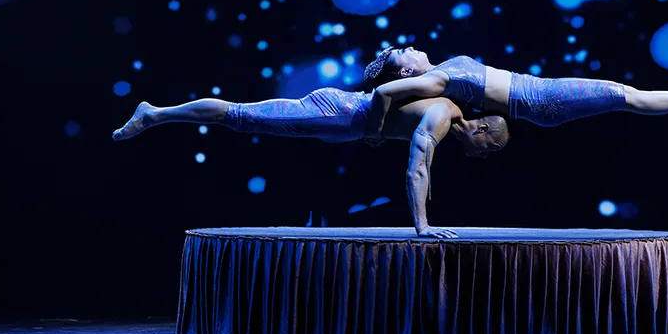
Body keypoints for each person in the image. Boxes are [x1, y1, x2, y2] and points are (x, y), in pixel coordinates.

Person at [112, 89, 509, 239]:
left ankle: (158, 114)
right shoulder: (442, 115)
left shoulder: (447, 117)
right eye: (492, 147)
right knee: (239, 114)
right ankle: (156, 113)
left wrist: (371, 131)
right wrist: (422, 226)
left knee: (243, 118)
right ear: (482, 130)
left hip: (341, 125)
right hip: (334, 113)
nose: (488, 155)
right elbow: (417, 168)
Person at [362, 47, 668, 145]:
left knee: (626, 96)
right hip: (541, 100)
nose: (410, 46)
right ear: (408, 70)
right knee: (625, 96)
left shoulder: (442, 70)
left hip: (540, 93)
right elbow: (381, 92)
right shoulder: (437, 81)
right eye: (403, 52)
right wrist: (375, 132)